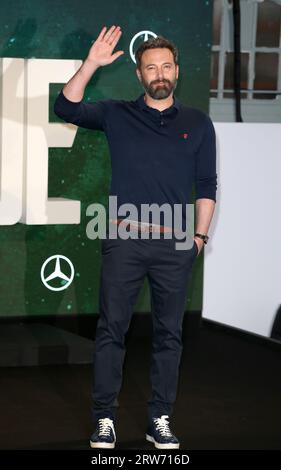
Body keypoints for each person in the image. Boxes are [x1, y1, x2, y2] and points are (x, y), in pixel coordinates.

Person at [54, 25, 217, 450]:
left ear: (176, 71)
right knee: (112, 331)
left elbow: (206, 184)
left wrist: (199, 238)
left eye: (166, 66)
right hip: (125, 240)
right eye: (150, 67)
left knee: (169, 336)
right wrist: (90, 63)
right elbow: (65, 107)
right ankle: (104, 418)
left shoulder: (199, 123)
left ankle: (159, 418)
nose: (159, 73)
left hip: (177, 245)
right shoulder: (116, 114)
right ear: (139, 75)